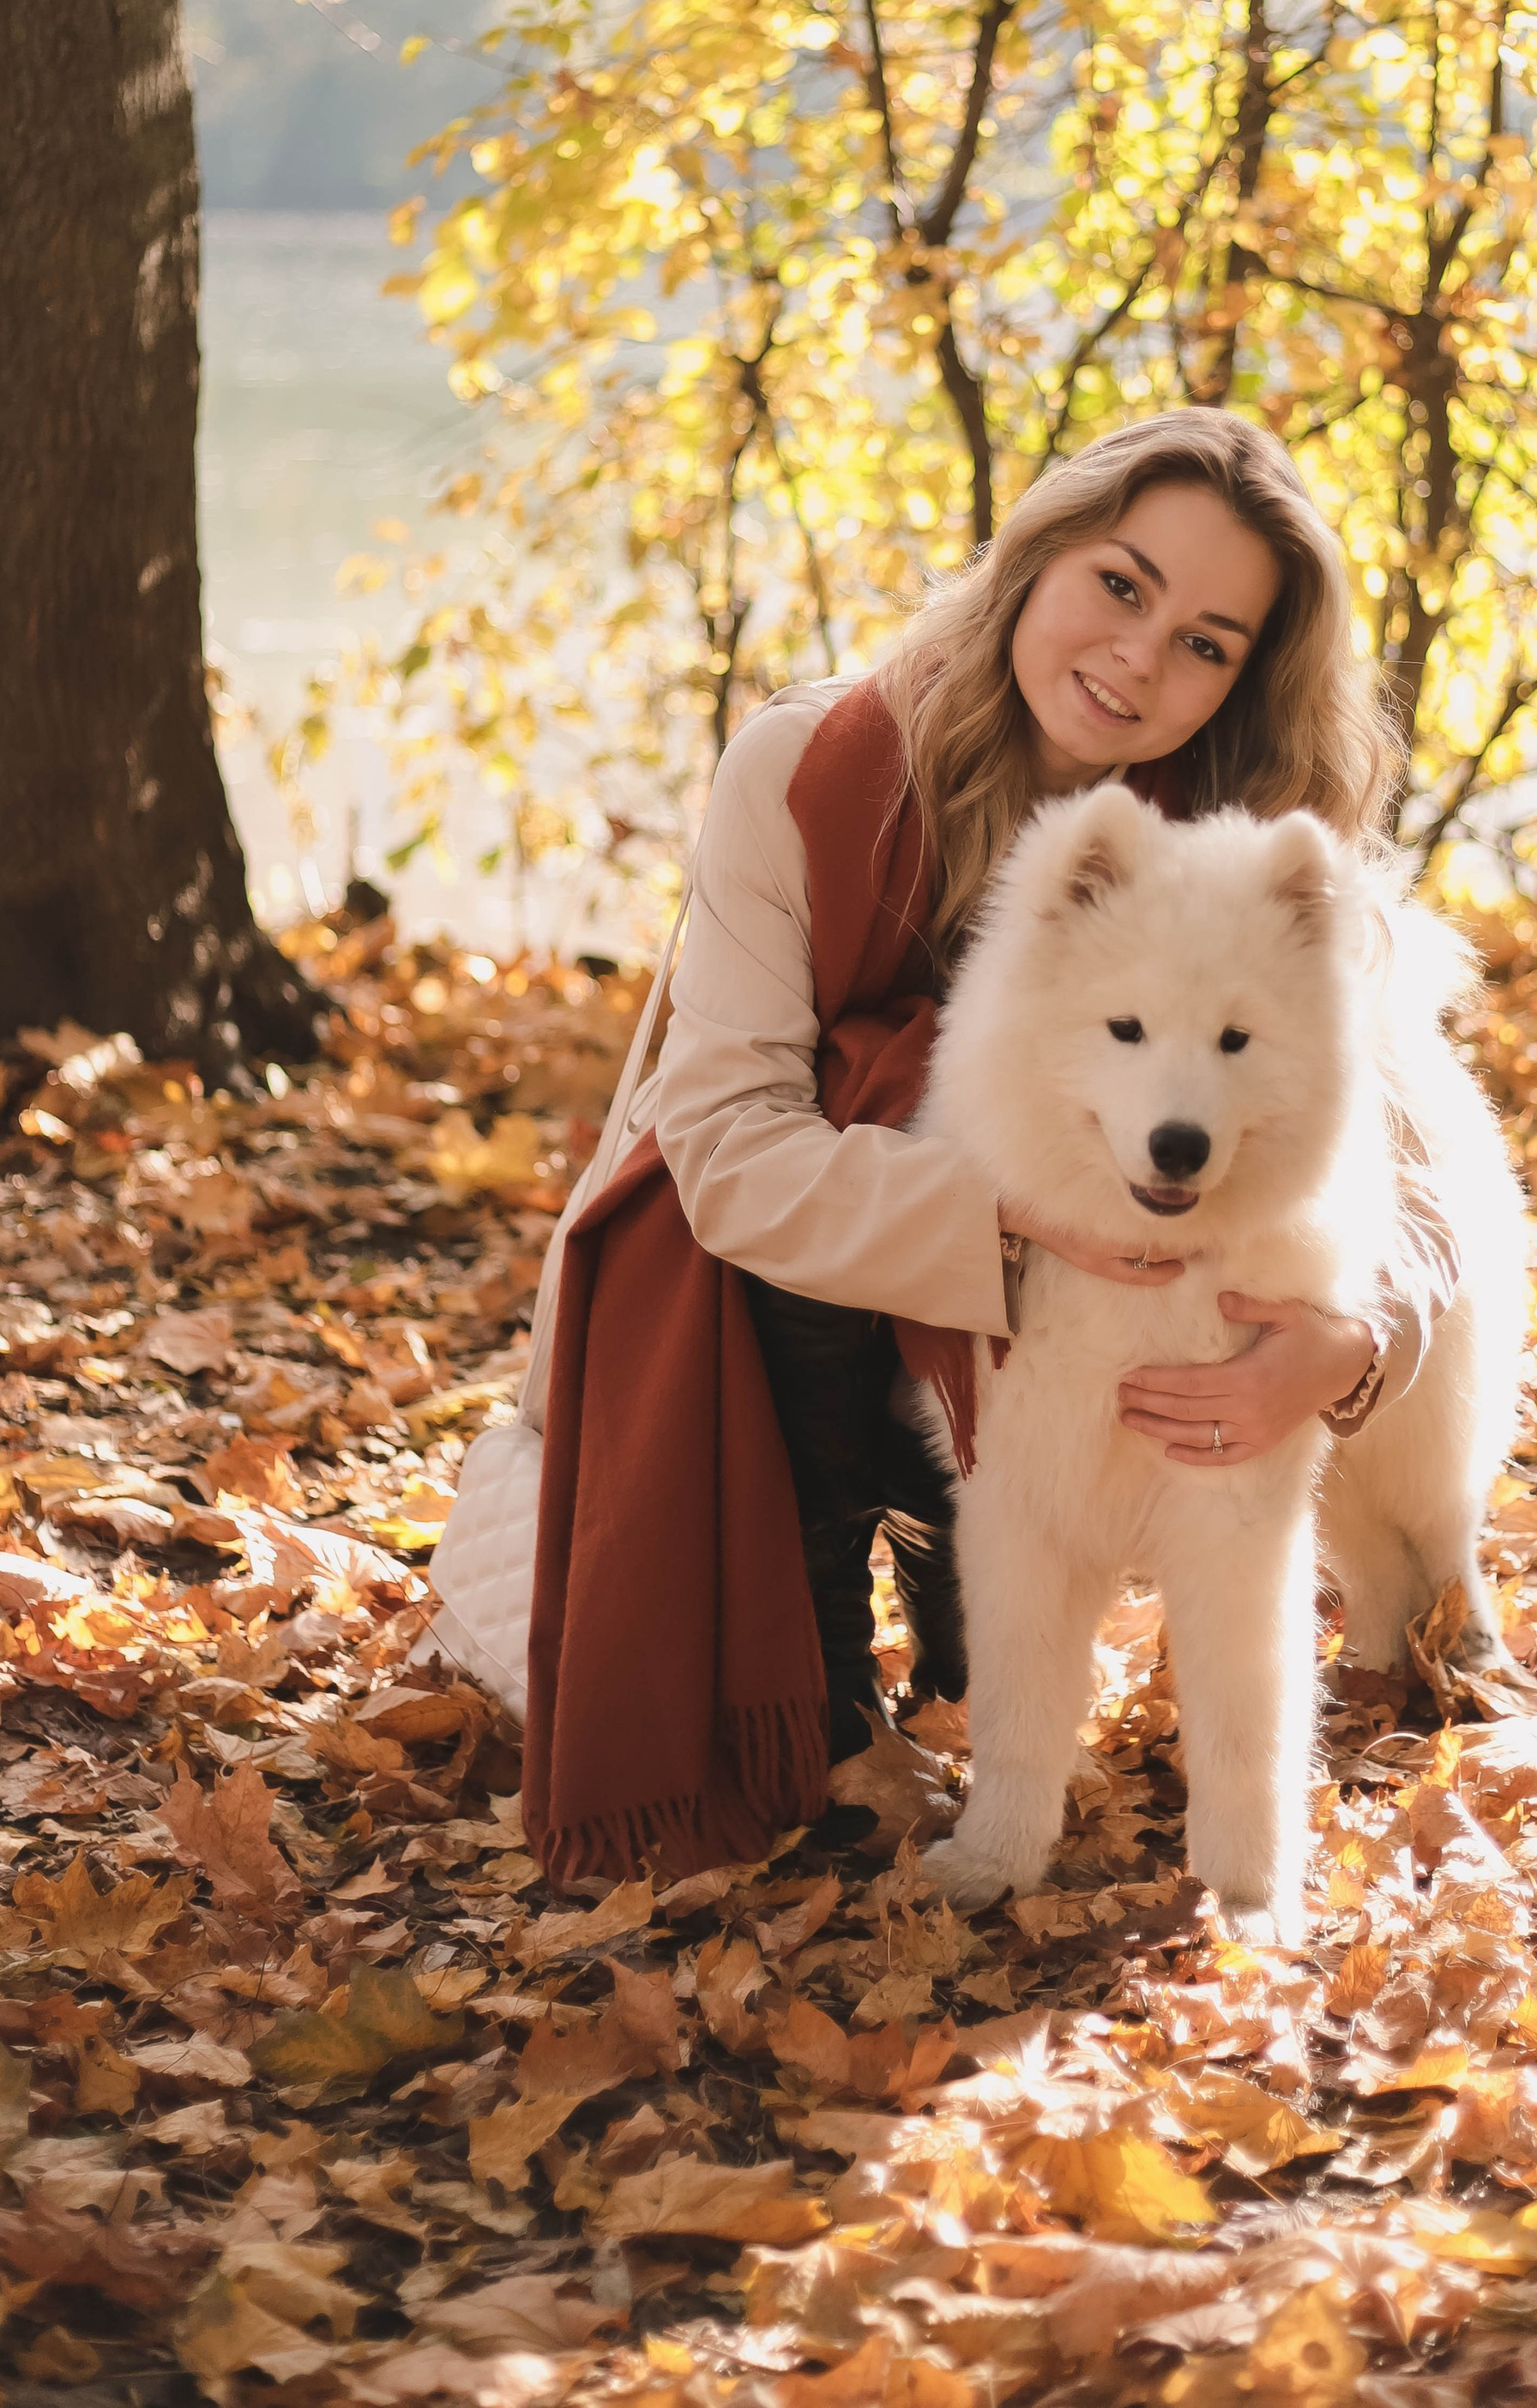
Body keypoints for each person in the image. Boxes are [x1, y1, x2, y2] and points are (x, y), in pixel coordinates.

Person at [521, 412, 1457, 1885]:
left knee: (1029, 1582)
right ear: (1037, 557)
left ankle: (968, 1623)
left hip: (1060, 1365)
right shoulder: (806, 770)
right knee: (859, 1083)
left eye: (1209, 643)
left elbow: (1406, 1164)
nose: (1142, 660)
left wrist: (1346, 1342)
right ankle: (827, 1668)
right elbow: (722, 1145)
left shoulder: (1251, 848)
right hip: (773, 1308)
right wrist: (1026, 1219)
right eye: (1124, 585)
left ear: (1244, 680)